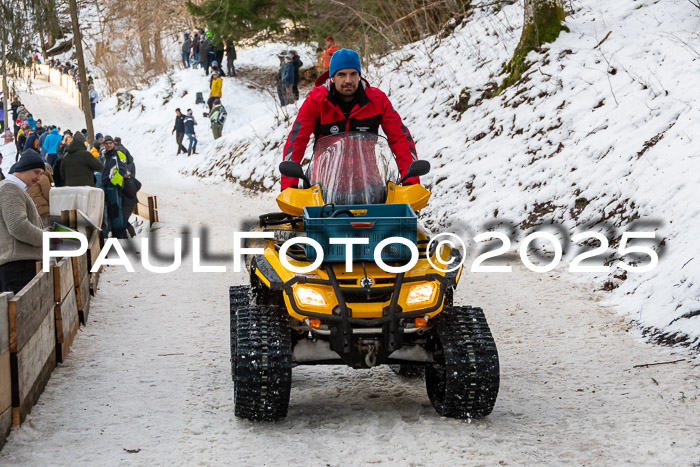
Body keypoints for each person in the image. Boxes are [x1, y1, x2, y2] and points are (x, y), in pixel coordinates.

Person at [280, 48, 419, 190]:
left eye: (353, 74)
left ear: (359, 75)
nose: (348, 80)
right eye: (341, 74)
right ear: (332, 77)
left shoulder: (377, 100)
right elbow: (297, 140)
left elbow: (400, 138)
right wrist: (289, 187)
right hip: (324, 184)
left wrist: (411, 183)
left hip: (369, 184)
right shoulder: (316, 100)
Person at [0, 149, 46, 293]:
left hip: (20, 265)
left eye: (41, 174)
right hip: (18, 267)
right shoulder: (10, 188)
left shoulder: (16, 189)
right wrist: (46, 238)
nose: (38, 178)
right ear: (24, 168)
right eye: (36, 172)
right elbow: (18, 226)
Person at [101, 136, 129, 238]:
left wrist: (113, 182)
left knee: (116, 210)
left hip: (114, 186)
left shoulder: (118, 154)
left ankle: (119, 234)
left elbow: (122, 170)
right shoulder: (105, 156)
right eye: (106, 143)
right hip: (106, 186)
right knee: (110, 211)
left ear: (113, 144)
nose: (108, 145)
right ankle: (114, 232)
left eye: (110, 143)